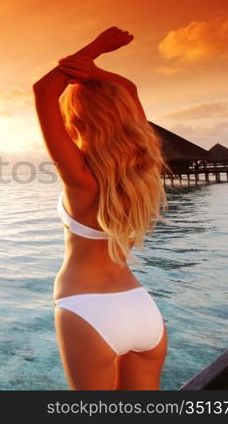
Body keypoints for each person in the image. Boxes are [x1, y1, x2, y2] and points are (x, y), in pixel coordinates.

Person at [32, 27, 169, 389]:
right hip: (142, 309)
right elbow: (131, 91)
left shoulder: (81, 179)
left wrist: (96, 48)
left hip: (87, 310)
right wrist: (96, 69)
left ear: (79, 121)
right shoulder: (147, 168)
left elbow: (44, 91)